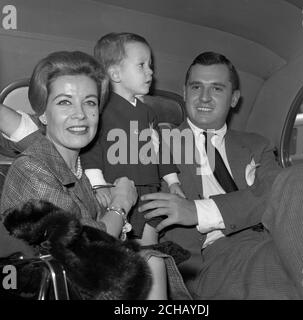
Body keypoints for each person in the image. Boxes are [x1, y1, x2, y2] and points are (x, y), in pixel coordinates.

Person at [0, 51, 191, 300]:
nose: (80, 114)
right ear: (43, 114)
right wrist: (121, 204)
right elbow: (87, 250)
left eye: (89, 102)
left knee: (152, 260)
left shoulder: (81, 168)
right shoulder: (32, 170)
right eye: (64, 102)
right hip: (54, 286)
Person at [138, 51, 303, 300]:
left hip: (279, 239)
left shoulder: (257, 145)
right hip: (213, 256)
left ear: (234, 98)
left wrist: (197, 210)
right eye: (196, 87)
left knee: (299, 176)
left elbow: (281, 193)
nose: (204, 97)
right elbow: (142, 211)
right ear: (184, 93)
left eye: (216, 89)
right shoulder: (155, 145)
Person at [81, 33, 185, 250]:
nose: (151, 71)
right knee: (120, 247)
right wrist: (98, 184)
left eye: (150, 65)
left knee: (149, 245)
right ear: (115, 73)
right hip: (118, 189)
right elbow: (92, 149)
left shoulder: (148, 112)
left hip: (150, 190)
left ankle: (151, 275)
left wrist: (173, 181)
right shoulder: (102, 111)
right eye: (141, 65)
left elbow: (159, 149)